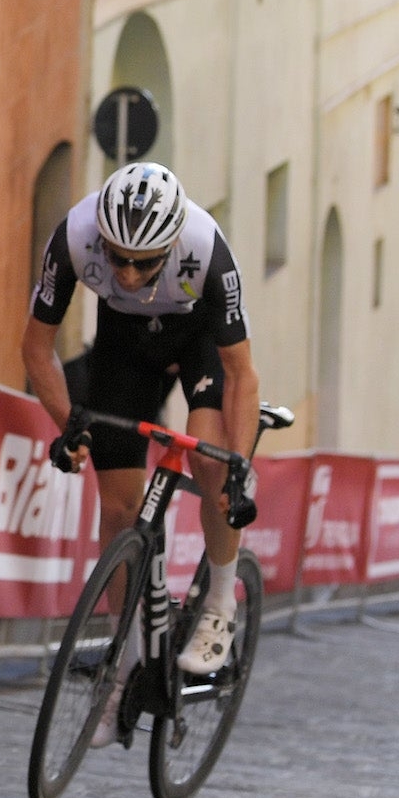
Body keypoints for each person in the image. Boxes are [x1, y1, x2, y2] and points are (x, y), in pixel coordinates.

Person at [21, 162, 262, 725]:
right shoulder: (75, 239)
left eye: (144, 262)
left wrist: (239, 467)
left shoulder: (207, 251)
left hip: (197, 337)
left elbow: (242, 375)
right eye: (117, 258)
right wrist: (68, 425)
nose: (127, 275)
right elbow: (37, 350)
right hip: (125, 347)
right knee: (119, 507)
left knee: (208, 455)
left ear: (172, 245)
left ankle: (221, 600)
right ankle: (126, 659)